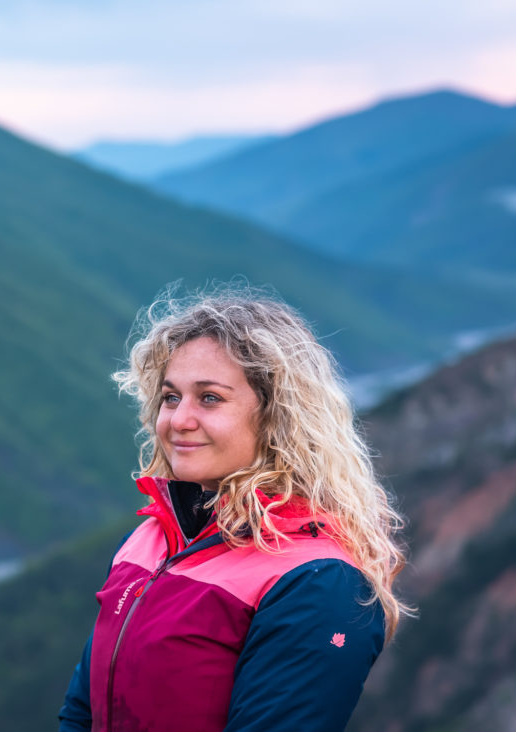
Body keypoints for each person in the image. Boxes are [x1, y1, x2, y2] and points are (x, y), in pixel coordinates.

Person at [58, 287, 410, 732]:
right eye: (171, 397)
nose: (178, 420)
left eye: (209, 398)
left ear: (276, 416)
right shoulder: (151, 539)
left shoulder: (317, 582)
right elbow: (81, 712)